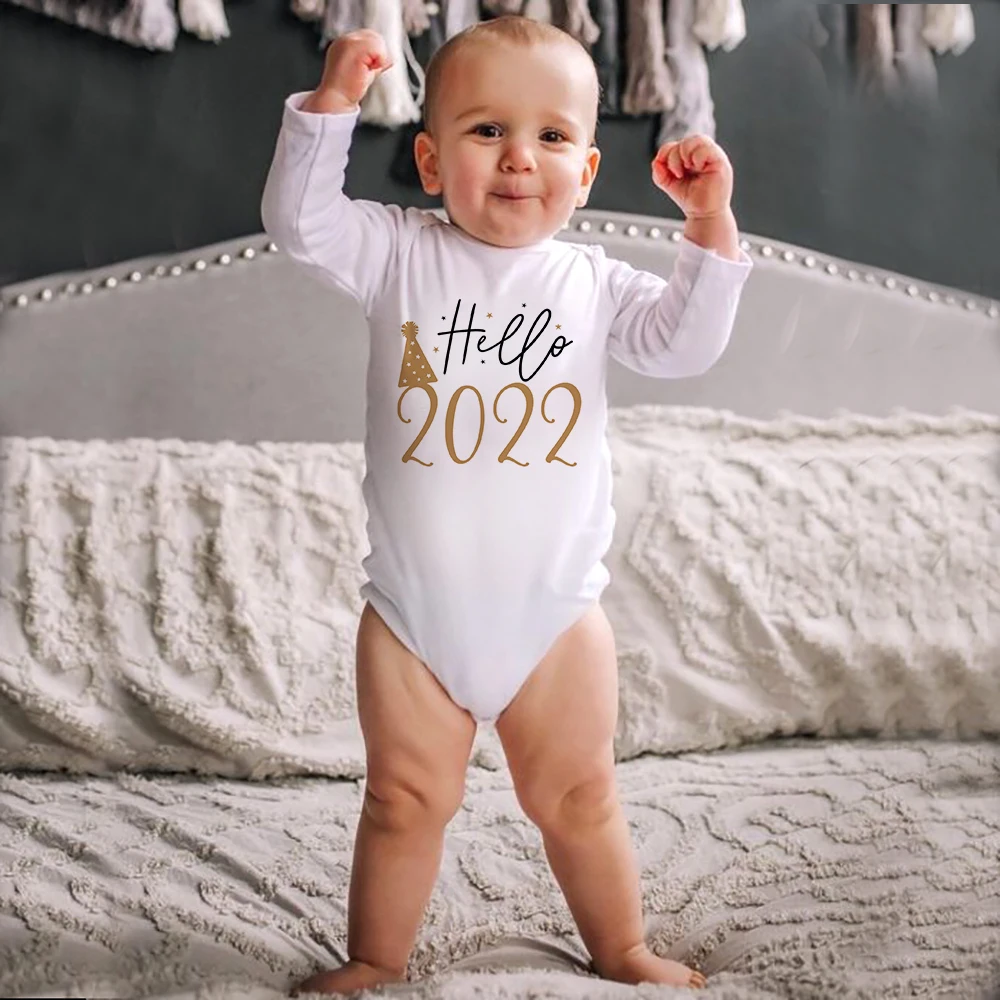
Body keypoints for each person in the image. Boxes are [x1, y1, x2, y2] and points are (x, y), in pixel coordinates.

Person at [261, 15, 752, 996]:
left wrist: (708, 224)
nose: (520, 157)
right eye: (487, 130)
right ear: (430, 161)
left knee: (580, 797)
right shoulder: (394, 251)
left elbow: (682, 344)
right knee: (401, 800)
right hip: (413, 616)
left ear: (587, 170)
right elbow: (300, 224)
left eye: (552, 137)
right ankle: (375, 958)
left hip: (553, 615)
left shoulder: (594, 284)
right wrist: (333, 104)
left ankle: (622, 950)